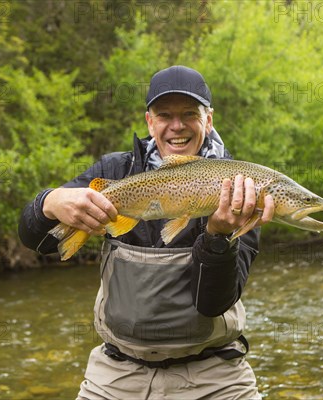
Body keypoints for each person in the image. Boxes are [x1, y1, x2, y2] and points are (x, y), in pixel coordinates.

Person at [18, 65, 275, 399]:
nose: (177, 125)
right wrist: (49, 202)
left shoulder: (238, 189)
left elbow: (212, 303)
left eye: (189, 114)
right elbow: (35, 240)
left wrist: (217, 235)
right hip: (117, 373)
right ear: (149, 121)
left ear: (208, 120)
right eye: (164, 114)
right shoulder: (115, 171)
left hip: (214, 375)